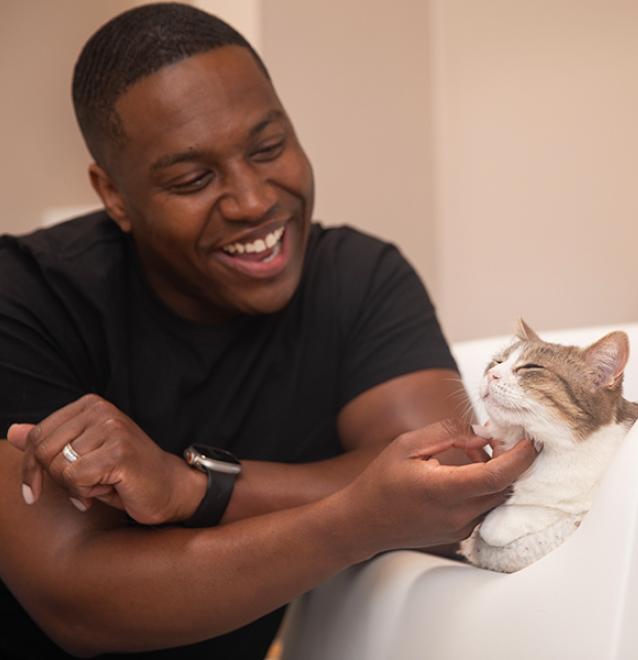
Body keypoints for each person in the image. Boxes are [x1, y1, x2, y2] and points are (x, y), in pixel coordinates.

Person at [0, 4, 535, 659]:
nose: (254, 200)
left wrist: (191, 488)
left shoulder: (359, 277)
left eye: (269, 147)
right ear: (113, 195)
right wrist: (359, 511)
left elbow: (448, 480)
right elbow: (78, 603)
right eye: (193, 179)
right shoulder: (22, 299)